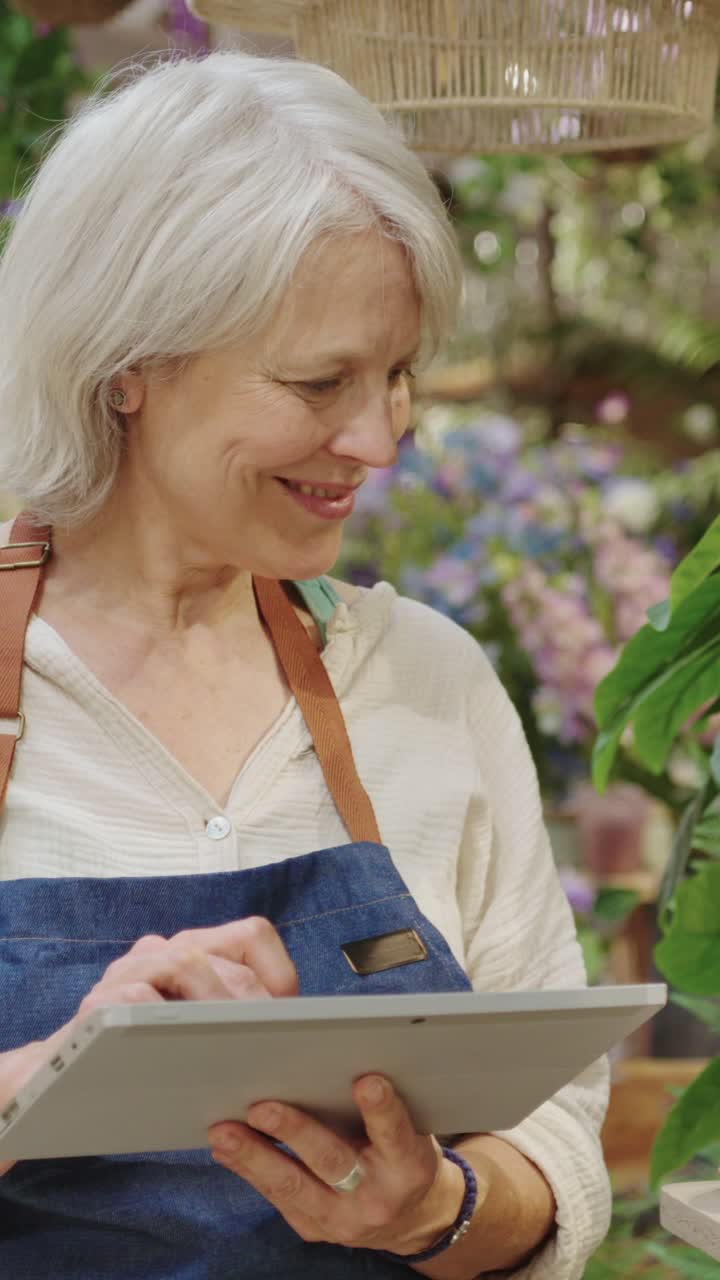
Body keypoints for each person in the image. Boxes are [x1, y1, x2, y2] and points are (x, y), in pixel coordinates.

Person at [0, 46, 611, 1279]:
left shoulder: (427, 680)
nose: (378, 438)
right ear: (127, 361)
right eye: (318, 379)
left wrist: (433, 1203)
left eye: (396, 377)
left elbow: (558, 1147)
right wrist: (52, 1069)